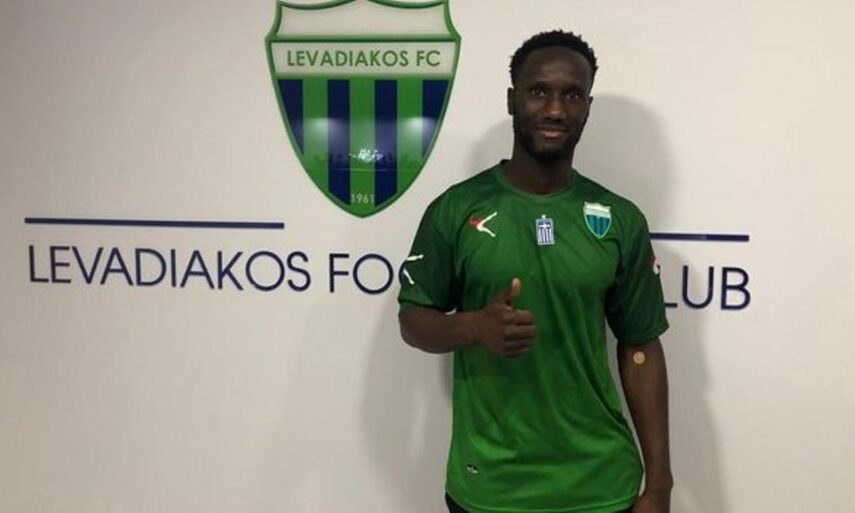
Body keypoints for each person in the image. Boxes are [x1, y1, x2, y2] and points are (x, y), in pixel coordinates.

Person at [397, 30, 672, 513]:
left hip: (600, 485)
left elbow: (641, 347)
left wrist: (660, 484)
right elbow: (413, 321)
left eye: (572, 95)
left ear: (587, 108)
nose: (554, 110)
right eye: (539, 91)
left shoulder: (619, 218)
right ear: (512, 99)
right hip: (491, 486)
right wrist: (475, 326)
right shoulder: (456, 209)